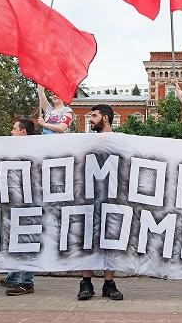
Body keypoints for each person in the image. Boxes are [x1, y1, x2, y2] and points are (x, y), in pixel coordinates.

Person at [77, 104, 123, 301]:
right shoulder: (86, 141)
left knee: (110, 241)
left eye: (94, 116)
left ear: (105, 118)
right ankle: (85, 282)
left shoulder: (119, 141)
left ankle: (108, 283)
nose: (90, 119)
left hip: (112, 197)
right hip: (88, 196)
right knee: (88, 240)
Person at [0, 118, 36, 296]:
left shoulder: (35, 148)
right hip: (16, 198)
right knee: (15, 238)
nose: (11, 131)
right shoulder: (13, 148)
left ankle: (26, 281)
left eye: (14, 128)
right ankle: (14, 275)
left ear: (23, 132)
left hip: (29, 200)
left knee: (27, 239)